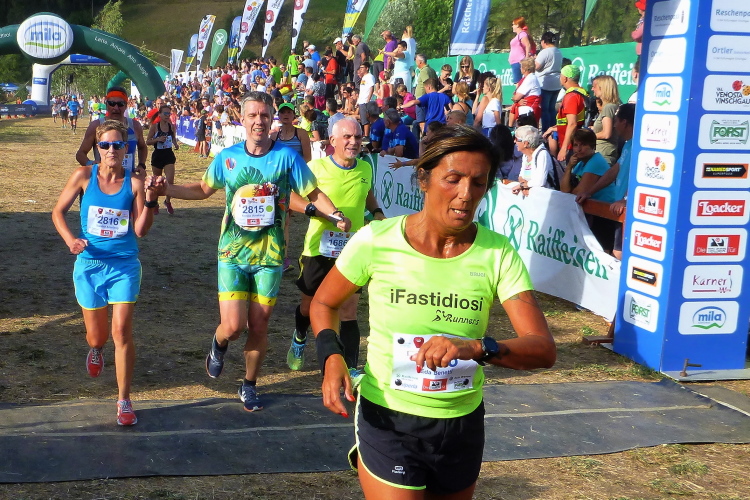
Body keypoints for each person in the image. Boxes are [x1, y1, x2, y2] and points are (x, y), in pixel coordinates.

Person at [310, 124, 556, 499]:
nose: (466, 194)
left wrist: (476, 348)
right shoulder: (376, 241)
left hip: (461, 424)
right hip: (390, 418)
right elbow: (324, 302)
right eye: (453, 179)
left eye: (478, 183)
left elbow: (542, 348)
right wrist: (332, 358)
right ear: (424, 180)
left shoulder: (498, 253)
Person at [146, 92, 350, 412]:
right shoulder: (227, 157)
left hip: (270, 256)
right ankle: (219, 342)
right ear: (242, 120)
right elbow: (202, 190)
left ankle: (249, 384)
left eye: (264, 115)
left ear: (271, 120)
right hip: (232, 253)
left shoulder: (287, 158)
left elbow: (312, 192)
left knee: (259, 324)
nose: (259, 121)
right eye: (252, 115)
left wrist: (334, 213)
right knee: (233, 326)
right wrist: (166, 189)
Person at [52, 120, 158, 426]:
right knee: (96, 335)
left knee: (121, 332)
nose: (112, 150)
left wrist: (150, 201)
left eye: (117, 145)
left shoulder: (134, 183)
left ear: (126, 149)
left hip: (124, 266)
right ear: (97, 148)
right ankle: (96, 349)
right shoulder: (83, 176)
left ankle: (124, 399)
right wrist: (71, 241)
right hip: (89, 266)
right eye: (105, 145)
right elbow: (57, 212)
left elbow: (141, 230)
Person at [287, 117, 385, 373]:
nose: (354, 142)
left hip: (353, 249)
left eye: (357, 137)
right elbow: (290, 196)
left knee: (348, 311)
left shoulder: (365, 168)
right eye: (347, 137)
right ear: (332, 140)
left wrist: (376, 212)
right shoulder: (315, 168)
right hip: (318, 249)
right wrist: (316, 211)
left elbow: (368, 193)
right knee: (309, 306)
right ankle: (299, 336)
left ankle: (350, 369)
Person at [76, 87, 149, 177]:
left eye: (120, 104)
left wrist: (141, 165)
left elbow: (142, 147)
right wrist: (91, 165)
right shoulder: (96, 126)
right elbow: (80, 154)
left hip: (129, 179)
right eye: (112, 103)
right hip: (104, 179)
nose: (116, 108)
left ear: (126, 105)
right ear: (106, 105)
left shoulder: (135, 126)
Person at [545, 65, 588, 162]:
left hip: (571, 146)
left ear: (565, 78)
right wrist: (554, 128)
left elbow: (572, 124)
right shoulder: (581, 92)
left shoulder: (571, 96)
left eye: (560, 76)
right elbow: (569, 122)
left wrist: (564, 149)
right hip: (577, 141)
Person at [146, 104, 180, 215]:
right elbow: (148, 141)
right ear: (159, 114)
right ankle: (155, 203)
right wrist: (157, 139)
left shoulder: (171, 126)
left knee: (170, 181)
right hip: (158, 155)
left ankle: (168, 201)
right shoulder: (155, 127)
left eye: (169, 113)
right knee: (157, 182)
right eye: (165, 113)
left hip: (168, 154)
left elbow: (173, 137)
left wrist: (175, 144)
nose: (167, 115)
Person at [535, 32, 563, 132]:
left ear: (543, 41)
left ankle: (546, 130)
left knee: (545, 109)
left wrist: (534, 60)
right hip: (556, 83)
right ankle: (554, 129)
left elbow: (537, 67)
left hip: (545, 83)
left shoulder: (545, 52)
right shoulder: (558, 51)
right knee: (552, 108)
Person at [591, 75, 622, 166]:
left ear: (602, 88)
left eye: (594, 86)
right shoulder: (613, 106)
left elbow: (606, 134)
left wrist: (588, 137)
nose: (592, 89)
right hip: (604, 154)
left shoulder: (608, 108)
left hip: (603, 155)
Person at [515, 125, 554, 192]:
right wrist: (524, 186)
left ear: (525, 143)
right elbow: (521, 176)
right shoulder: (525, 155)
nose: (514, 141)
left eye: (516, 139)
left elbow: (540, 182)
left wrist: (523, 186)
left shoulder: (542, 154)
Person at [509, 58, 541, 127]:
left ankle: (510, 127)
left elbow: (516, 97)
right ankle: (510, 127)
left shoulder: (530, 78)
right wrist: (517, 100)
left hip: (528, 110)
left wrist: (516, 99)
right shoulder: (528, 78)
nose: (520, 68)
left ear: (525, 69)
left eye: (521, 67)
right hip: (527, 108)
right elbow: (516, 98)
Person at [509, 17, 534, 84]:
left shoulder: (522, 34)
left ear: (517, 25)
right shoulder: (519, 35)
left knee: (518, 82)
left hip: (519, 61)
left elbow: (528, 45)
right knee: (518, 82)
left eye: (513, 24)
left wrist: (526, 58)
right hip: (515, 62)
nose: (512, 26)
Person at [356, 62, 377, 136]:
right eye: (360, 68)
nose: (361, 69)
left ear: (367, 68)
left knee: (366, 120)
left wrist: (368, 99)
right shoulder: (363, 77)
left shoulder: (370, 76)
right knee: (363, 119)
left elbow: (372, 87)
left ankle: (366, 135)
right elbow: (362, 91)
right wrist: (358, 101)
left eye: (362, 68)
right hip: (362, 101)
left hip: (366, 101)